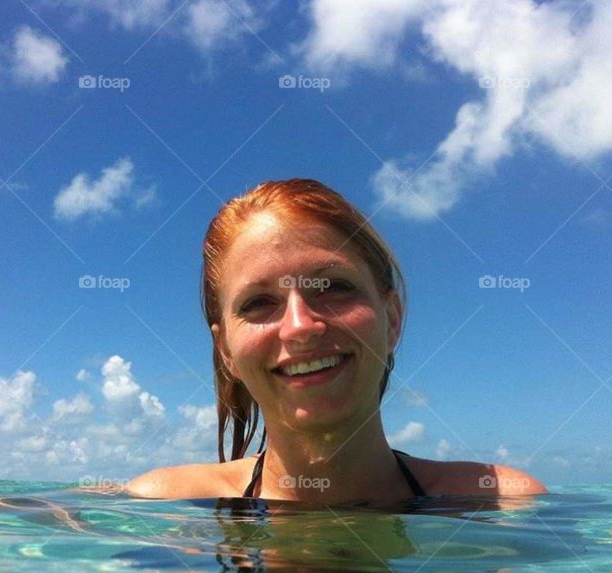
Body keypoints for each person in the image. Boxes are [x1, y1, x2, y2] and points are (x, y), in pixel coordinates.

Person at [124, 179, 546, 504]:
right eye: (258, 303)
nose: (300, 326)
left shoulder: (497, 504)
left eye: (333, 288)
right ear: (227, 352)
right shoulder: (164, 503)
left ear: (393, 319)